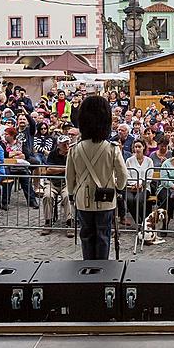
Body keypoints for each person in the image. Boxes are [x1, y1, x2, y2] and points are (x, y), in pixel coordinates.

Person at [65, 96, 127, 260]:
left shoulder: (75, 149)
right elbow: (123, 175)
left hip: (82, 200)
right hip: (105, 198)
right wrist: (118, 188)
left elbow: (69, 176)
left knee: (86, 236)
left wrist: (72, 194)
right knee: (103, 236)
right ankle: (102, 270)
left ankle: (88, 268)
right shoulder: (112, 148)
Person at [41, 135, 73, 238]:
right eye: (64, 144)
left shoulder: (72, 154)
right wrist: (65, 169)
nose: (67, 146)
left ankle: (69, 223)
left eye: (68, 143)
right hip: (52, 182)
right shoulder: (53, 154)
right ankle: (48, 222)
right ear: (58, 145)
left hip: (66, 183)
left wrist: (58, 169)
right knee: (47, 196)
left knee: (68, 196)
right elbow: (49, 170)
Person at [123, 139, 152, 227]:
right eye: (135, 147)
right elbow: (127, 175)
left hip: (144, 187)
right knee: (129, 199)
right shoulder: (129, 160)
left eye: (139, 147)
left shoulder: (149, 161)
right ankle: (139, 222)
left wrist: (140, 183)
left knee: (138, 200)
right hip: (131, 187)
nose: (137, 149)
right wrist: (134, 184)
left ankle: (144, 221)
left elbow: (149, 176)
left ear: (143, 147)